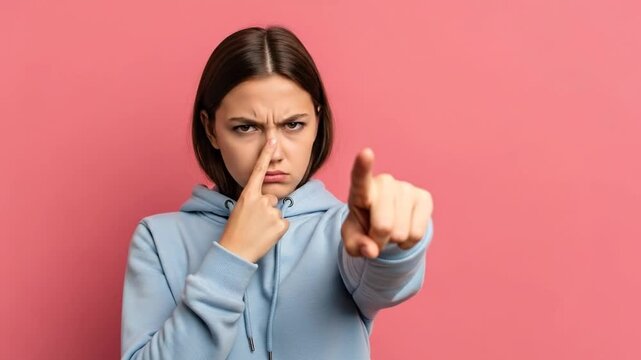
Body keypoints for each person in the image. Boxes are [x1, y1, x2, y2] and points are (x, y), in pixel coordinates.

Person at [120, 25, 435, 360]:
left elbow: (387, 283)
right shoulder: (157, 238)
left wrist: (392, 244)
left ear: (317, 121)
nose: (272, 152)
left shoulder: (342, 231)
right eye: (246, 127)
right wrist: (232, 256)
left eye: (293, 125)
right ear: (211, 129)